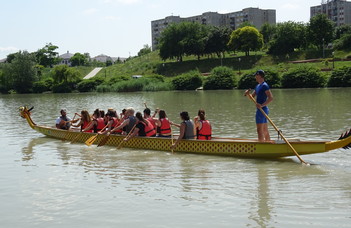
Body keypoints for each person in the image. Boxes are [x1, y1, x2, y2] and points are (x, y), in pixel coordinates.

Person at [244, 70, 273, 142]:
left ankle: (262, 145)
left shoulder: (264, 86)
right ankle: (267, 143)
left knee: (259, 130)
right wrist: (248, 94)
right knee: (264, 129)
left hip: (262, 110)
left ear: (260, 76)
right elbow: (252, 97)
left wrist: (262, 105)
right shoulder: (257, 86)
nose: (255, 77)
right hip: (261, 110)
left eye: (256, 75)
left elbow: (271, 98)